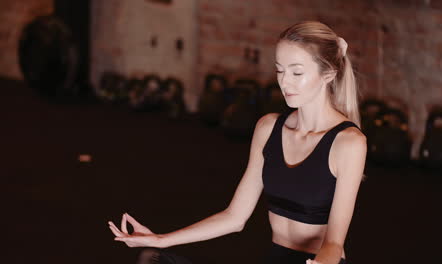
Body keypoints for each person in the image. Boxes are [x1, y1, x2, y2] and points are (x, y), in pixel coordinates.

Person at [108, 21, 367, 264]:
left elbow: (333, 242)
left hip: (321, 261)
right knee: (154, 259)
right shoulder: (268, 128)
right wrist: (160, 239)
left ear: (328, 75)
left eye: (297, 72)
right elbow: (235, 217)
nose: (284, 82)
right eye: (279, 70)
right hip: (275, 258)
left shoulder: (348, 143)